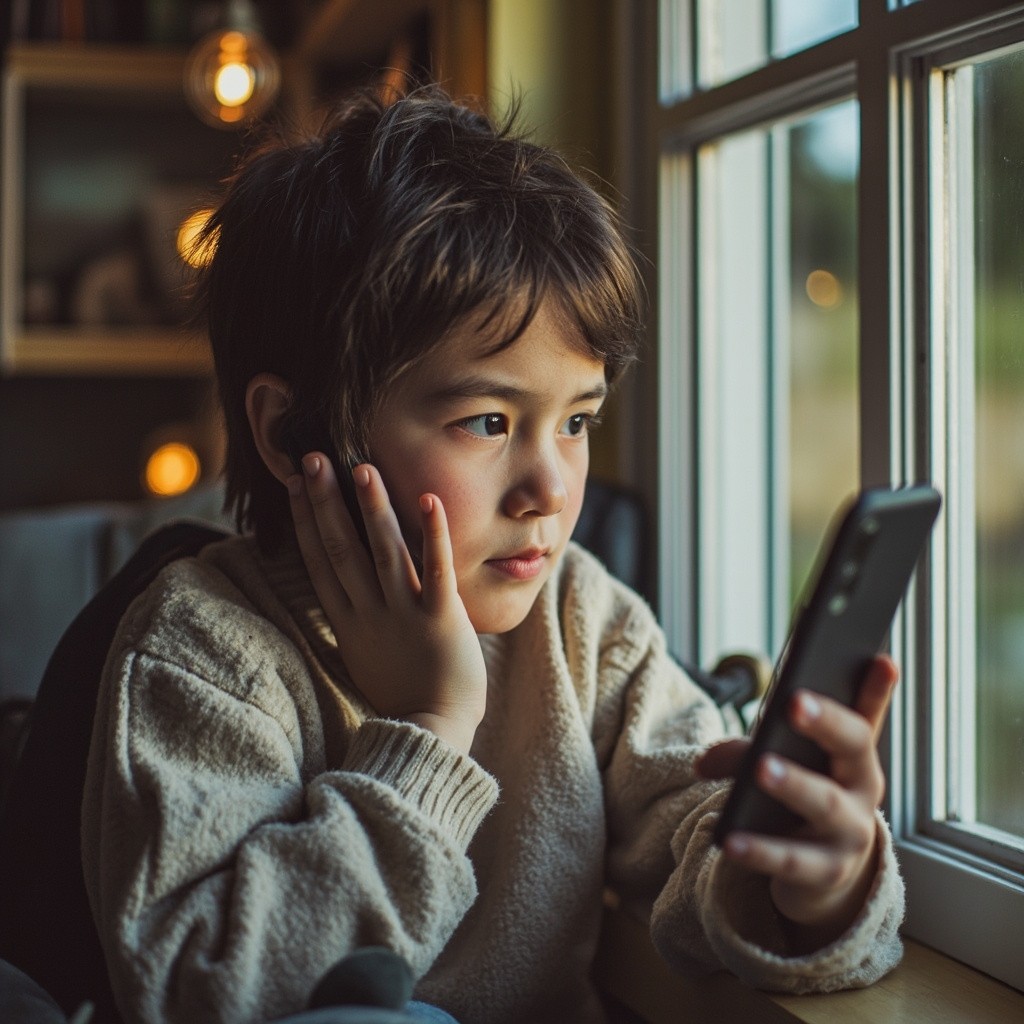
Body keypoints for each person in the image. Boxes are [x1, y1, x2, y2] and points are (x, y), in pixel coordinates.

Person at [81, 86, 904, 1024]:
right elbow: (207, 993)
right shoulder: (202, 653)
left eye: (579, 421)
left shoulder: (580, 618)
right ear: (288, 430)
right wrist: (432, 727)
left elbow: (697, 824)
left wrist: (818, 879)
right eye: (487, 420)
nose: (551, 491)